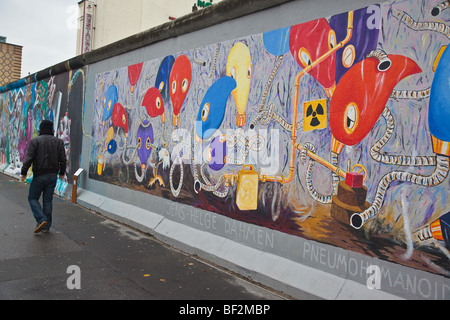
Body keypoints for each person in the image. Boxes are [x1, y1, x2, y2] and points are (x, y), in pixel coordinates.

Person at [20, 120, 67, 234]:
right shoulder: (59, 142)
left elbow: (29, 159)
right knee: (47, 200)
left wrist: (23, 172)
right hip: (52, 176)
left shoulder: (35, 141)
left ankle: (41, 219)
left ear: (40, 130)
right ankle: (46, 227)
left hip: (39, 175)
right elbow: (63, 160)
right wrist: (61, 173)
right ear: (53, 131)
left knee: (32, 198)